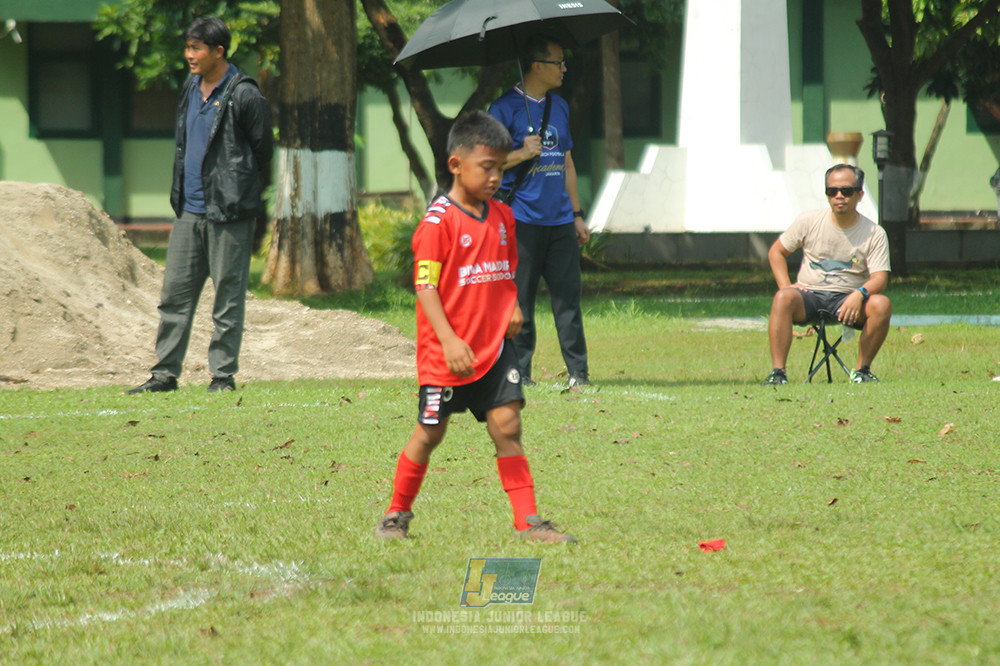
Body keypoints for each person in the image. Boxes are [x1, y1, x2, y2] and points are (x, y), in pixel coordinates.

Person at [374, 111, 575, 544]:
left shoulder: (503, 216)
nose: (495, 177)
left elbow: (505, 271)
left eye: (501, 168)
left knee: (507, 424)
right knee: (430, 434)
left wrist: (515, 305)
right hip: (446, 355)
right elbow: (425, 287)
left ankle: (528, 523)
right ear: (455, 165)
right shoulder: (437, 223)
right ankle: (395, 515)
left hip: (495, 349)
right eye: (487, 167)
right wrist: (449, 340)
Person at [128, 17, 273, 394]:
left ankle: (222, 376)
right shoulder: (190, 87)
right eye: (188, 47)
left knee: (227, 297)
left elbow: (263, 152)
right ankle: (164, 375)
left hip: (229, 213)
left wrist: (235, 188)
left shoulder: (244, 94)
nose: (189, 55)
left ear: (218, 52)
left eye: (197, 48)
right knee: (174, 296)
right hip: (189, 212)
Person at [488, 35, 590, 389]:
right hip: (521, 220)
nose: (564, 68)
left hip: (560, 220)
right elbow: (485, 162)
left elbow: (568, 164)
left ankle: (579, 373)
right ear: (536, 66)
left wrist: (577, 214)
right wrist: (520, 152)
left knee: (568, 303)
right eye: (558, 62)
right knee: (520, 302)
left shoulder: (558, 106)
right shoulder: (502, 109)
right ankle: (519, 372)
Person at [764, 164, 892, 385]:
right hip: (810, 296)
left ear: (860, 194)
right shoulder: (809, 221)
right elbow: (776, 252)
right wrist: (786, 286)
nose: (839, 196)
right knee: (783, 298)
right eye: (832, 191)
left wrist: (859, 293)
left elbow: (880, 278)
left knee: (881, 305)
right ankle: (778, 374)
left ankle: (861, 371)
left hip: (849, 301)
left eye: (846, 191)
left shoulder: (874, 233)